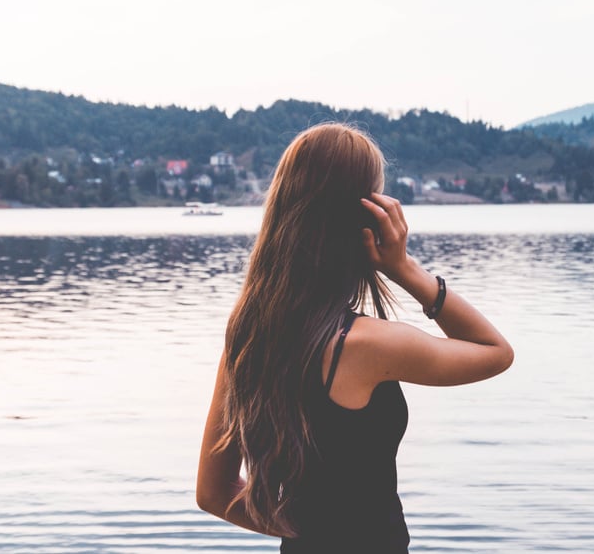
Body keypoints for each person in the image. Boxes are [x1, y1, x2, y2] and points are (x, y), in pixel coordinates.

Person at [196, 123, 513, 553]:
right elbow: (494, 352)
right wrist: (406, 270)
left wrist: (311, 532)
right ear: (367, 218)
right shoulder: (369, 345)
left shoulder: (249, 339)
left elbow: (213, 494)